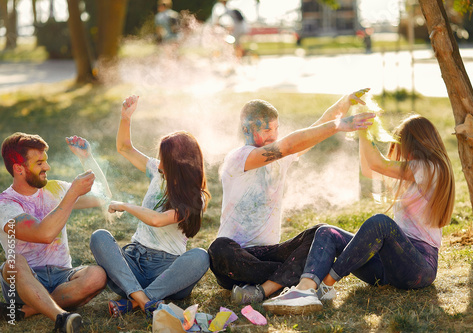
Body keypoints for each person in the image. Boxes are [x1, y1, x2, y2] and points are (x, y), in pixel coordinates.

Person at [262, 115, 455, 315]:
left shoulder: (431, 168)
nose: (398, 149)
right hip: (387, 266)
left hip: (418, 268)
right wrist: (364, 134)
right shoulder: (411, 174)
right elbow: (369, 168)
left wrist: (364, 130)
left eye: (400, 143)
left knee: (381, 223)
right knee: (326, 232)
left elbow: (378, 164)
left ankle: (327, 284)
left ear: (413, 143)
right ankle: (305, 290)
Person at [208, 89, 376, 305]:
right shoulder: (239, 157)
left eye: (276, 128)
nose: (273, 135)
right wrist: (339, 125)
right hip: (236, 260)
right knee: (218, 248)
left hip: (269, 254)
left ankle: (265, 289)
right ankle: (300, 274)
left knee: (320, 234)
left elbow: (312, 131)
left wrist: (341, 104)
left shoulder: (282, 158)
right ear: (246, 129)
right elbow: (288, 145)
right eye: (267, 129)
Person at [90, 95, 211, 319]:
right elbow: (125, 148)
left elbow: (157, 219)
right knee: (99, 237)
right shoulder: (158, 171)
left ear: (178, 164)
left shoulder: (196, 198)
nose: (159, 162)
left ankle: (135, 301)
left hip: (168, 272)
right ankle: (146, 301)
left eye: (164, 158)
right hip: (133, 264)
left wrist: (125, 205)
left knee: (201, 256)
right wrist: (125, 118)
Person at [0, 133, 111, 332]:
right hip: (27, 281)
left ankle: (27, 311)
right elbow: (43, 234)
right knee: (14, 262)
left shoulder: (55, 188)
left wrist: (87, 158)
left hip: (62, 276)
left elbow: (103, 197)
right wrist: (72, 194)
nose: (47, 167)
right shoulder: (5, 205)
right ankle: (61, 317)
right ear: (19, 169)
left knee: (97, 275)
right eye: (40, 163)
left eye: (46, 161)